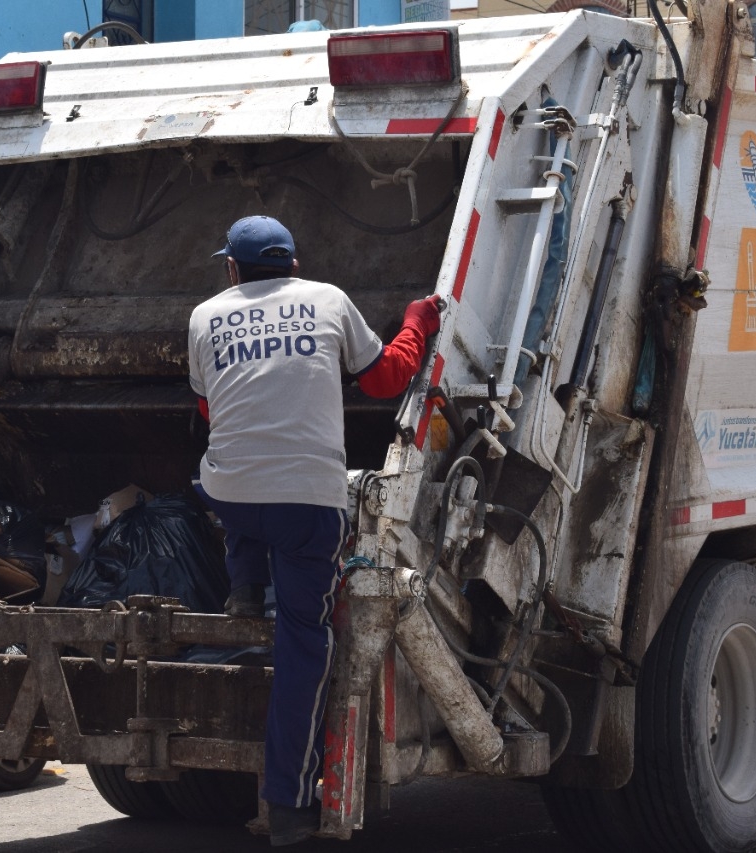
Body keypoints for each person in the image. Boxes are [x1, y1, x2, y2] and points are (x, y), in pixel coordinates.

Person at [187, 215, 443, 846]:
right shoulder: (328, 300)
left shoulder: (204, 316)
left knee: (229, 478)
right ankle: (290, 806)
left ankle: (244, 585)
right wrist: (418, 322)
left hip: (232, 499)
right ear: (294, 265)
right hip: (308, 510)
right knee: (305, 646)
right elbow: (386, 380)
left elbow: (210, 407)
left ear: (232, 269)